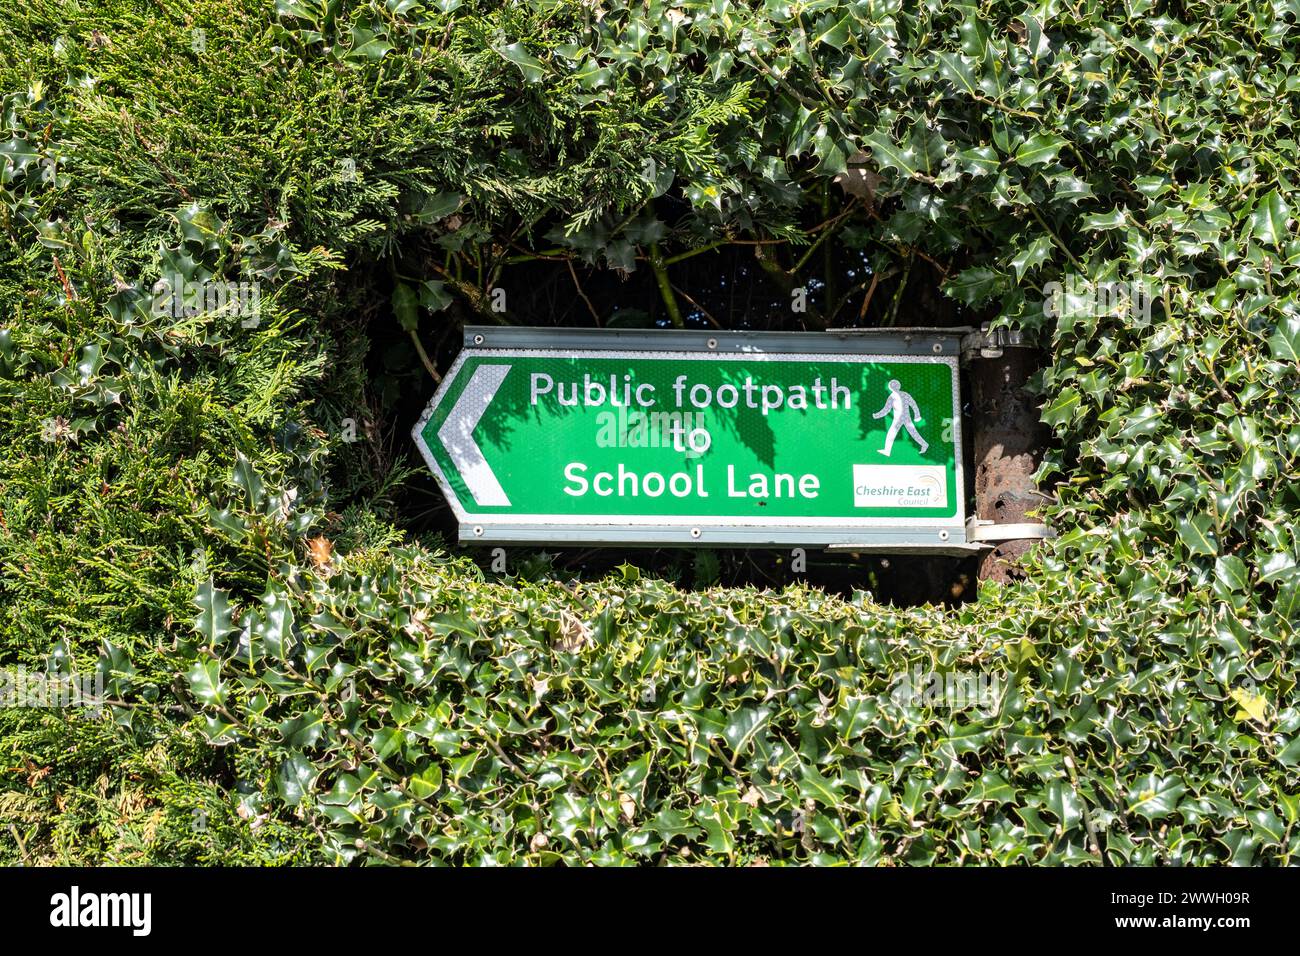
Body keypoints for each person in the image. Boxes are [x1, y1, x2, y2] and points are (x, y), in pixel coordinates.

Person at [872, 379, 928, 456]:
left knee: (911, 432)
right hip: (902, 418)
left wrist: (877, 415)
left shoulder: (893, 396)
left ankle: (924, 445)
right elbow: (913, 405)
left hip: (902, 418)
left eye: (887, 386)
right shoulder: (903, 395)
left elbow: (886, 409)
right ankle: (887, 451)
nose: (885, 388)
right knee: (898, 433)